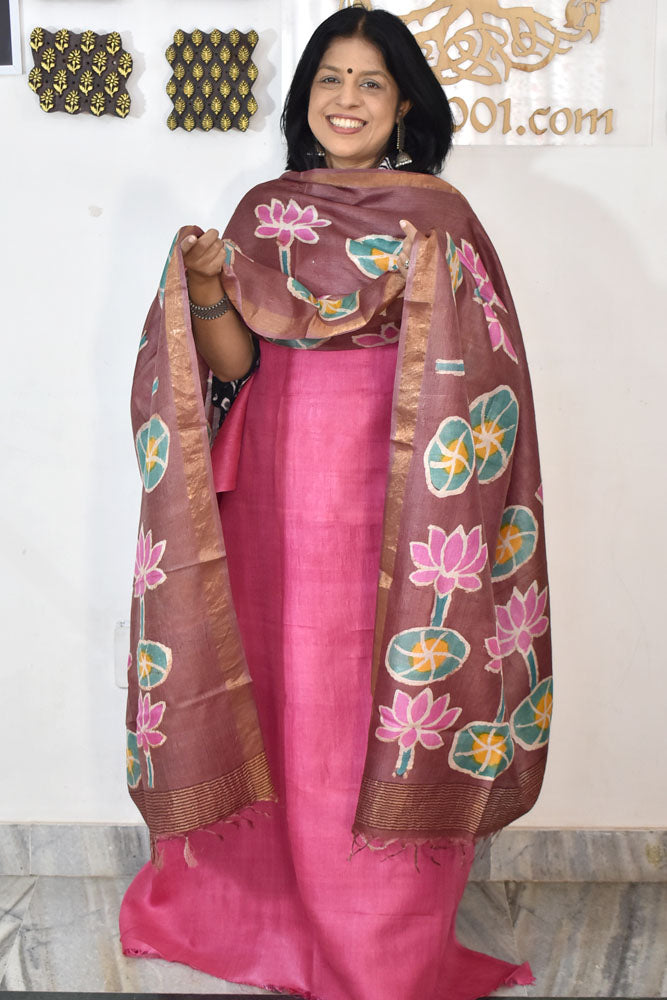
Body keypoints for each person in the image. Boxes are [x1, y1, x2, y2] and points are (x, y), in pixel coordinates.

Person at [121, 8, 551, 1000]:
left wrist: (428, 284)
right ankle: (259, 915)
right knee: (280, 688)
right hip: (275, 487)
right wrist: (207, 288)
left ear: (403, 104)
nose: (345, 99)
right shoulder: (266, 211)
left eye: (369, 82)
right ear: (304, 97)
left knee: (381, 694)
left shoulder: (439, 219)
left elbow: (486, 374)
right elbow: (236, 361)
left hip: (409, 501)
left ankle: (379, 945)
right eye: (329, 78)